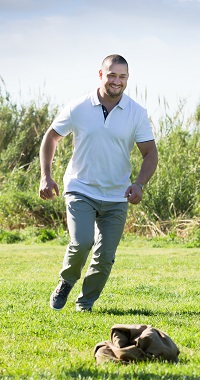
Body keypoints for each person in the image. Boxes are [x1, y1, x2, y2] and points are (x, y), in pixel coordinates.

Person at [39, 54, 158, 312]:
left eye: (122, 76)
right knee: (82, 242)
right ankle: (66, 282)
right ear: (101, 75)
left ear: (128, 79)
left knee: (105, 256)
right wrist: (45, 175)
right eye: (112, 75)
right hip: (80, 188)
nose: (117, 81)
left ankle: (86, 303)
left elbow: (150, 153)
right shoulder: (79, 106)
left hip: (117, 195)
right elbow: (51, 137)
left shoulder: (137, 112)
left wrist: (139, 184)